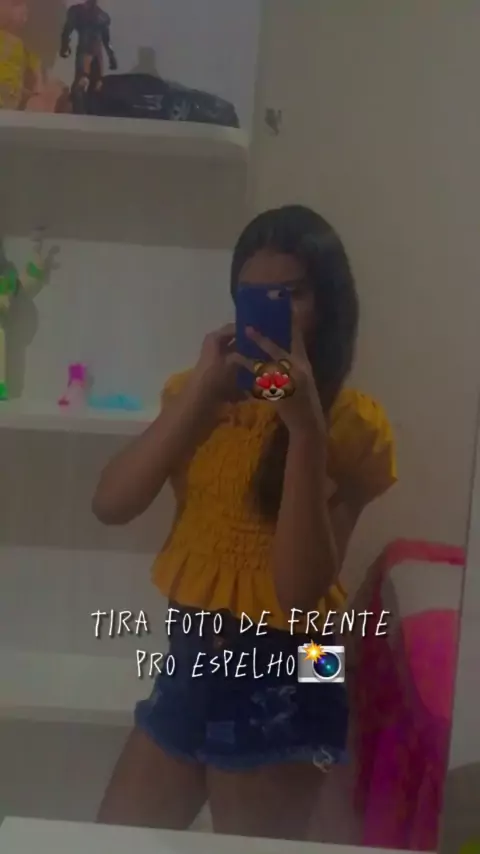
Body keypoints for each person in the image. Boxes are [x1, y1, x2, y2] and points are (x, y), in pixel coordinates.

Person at [92, 205, 397, 841]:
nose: (270, 312)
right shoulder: (197, 396)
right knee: (111, 840)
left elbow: (301, 593)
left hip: (291, 669)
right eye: (254, 296)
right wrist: (203, 392)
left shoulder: (349, 424)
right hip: (190, 656)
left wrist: (305, 429)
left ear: (329, 305)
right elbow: (111, 504)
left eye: (293, 295)